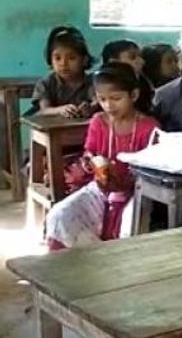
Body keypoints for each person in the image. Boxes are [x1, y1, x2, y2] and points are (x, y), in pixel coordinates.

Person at [45, 62, 160, 250]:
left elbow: (154, 167)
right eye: (102, 99)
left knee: (130, 227)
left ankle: (118, 263)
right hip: (100, 188)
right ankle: (87, 261)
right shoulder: (98, 122)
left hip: (137, 192)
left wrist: (126, 179)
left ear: (133, 95)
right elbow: (88, 153)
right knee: (59, 215)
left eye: (116, 98)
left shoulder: (149, 127)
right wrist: (95, 163)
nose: (108, 105)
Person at [31, 26, 95, 117]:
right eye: (57, 58)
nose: (63, 63)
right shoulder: (46, 84)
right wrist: (60, 110)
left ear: (85, 60)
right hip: (52, 125)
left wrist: (90, 107)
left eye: (71, 58)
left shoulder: (92, 82)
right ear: (50, 59)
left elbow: (98, 101)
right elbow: (44, 110)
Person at [101, 39, 153, 115]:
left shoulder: (144, 82)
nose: (141, 61)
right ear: (114, 62)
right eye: (132, 57)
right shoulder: (100, 84)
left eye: (140, 57)